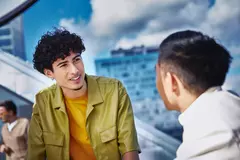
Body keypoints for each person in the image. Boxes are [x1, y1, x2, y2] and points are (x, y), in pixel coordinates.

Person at [27, 28, 140, 160]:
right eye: (64, 65)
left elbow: (129, 148)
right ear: (49, 73)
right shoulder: (43, 101)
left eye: (76, 60)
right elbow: (34, 155)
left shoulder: (114, 90)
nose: (75, 70)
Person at [155, 30, 240, 160]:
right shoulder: (224, 106)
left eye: (157, 74)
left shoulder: (212, 130)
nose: (156, 83)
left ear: (171, 80)